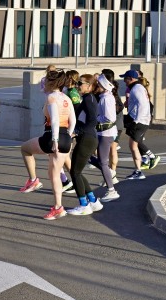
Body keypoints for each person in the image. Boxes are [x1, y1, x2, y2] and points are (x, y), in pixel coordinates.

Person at [18, 69, 76, 220]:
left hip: (52, 136)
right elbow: (73, 121)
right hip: (66, 138)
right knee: (54, 175)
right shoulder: (66, 98)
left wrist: (55, 140)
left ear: (51, 83)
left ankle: (33, 180)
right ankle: (58, 207)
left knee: (25, 148)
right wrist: (67, 136)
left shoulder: (51, 97)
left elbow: (55, 120)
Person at [66, 74, 103, 216]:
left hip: (87, 138)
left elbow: (93, 121)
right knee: (77, 171)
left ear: (89, 86)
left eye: (80, 83)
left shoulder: (89, 99)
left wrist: (77, 132)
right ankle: (93, 201)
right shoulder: (88, 98)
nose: (78, 85)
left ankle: (83, 205)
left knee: (75, 172)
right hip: (87, 138)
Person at [121, 69, 158, 180]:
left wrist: (137, 120)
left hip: (140, 121)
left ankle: (139, 170)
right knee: (134, 145)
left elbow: (143, 105)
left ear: (131, 79)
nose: (124, 81)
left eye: (125, 79)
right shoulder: (138, 87)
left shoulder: (136, 88)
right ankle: (138, 169)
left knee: (133, 146)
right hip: (140, 120)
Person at [94, 73, 121, 203]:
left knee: (102, 162)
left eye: (98, 84)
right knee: (99, 161)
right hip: (106, 133)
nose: (96, 86)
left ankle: (111, 190)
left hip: (105, 134)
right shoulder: (106, 96)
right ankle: (110, 175)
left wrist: (95, 119)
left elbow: (110, 118)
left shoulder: (106, 98)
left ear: (103, 86)